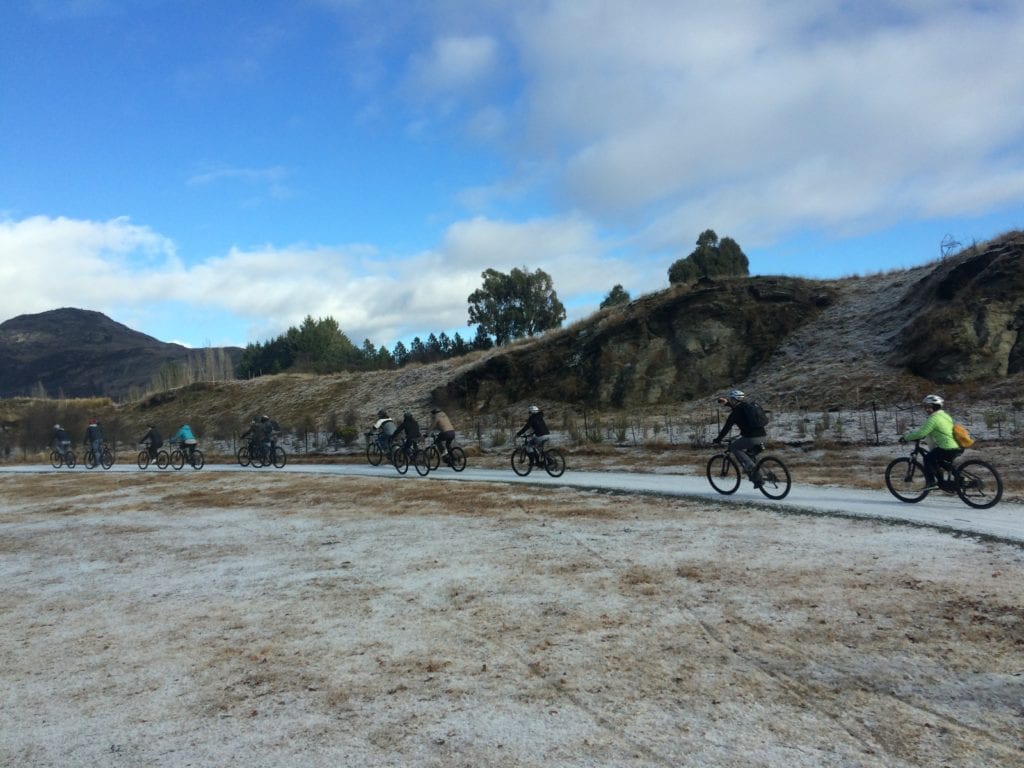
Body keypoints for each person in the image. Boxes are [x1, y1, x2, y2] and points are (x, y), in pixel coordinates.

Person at [900, 394, 961, 490]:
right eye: (925, 407)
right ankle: (953, 479)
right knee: (937, 460)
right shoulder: (944, 415)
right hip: (956, 445)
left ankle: (931, 482)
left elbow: (921, 433)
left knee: (928, 459)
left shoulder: (933, 418)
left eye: (929, 407)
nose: (926, 409)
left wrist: (906, 438)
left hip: (947, 447)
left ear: (935, 406)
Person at [712, 389, 767, 485]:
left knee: (734, 447)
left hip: (751, 438)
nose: (730, 401)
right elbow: (736, 407)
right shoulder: (748, 406)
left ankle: (751, 468)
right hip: (763, 436)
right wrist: (726, 403)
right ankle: (761, 475)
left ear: (734, 400)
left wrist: (718, 439)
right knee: (750, 454)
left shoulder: (735, 413)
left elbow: (726, 427)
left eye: (731, 399)